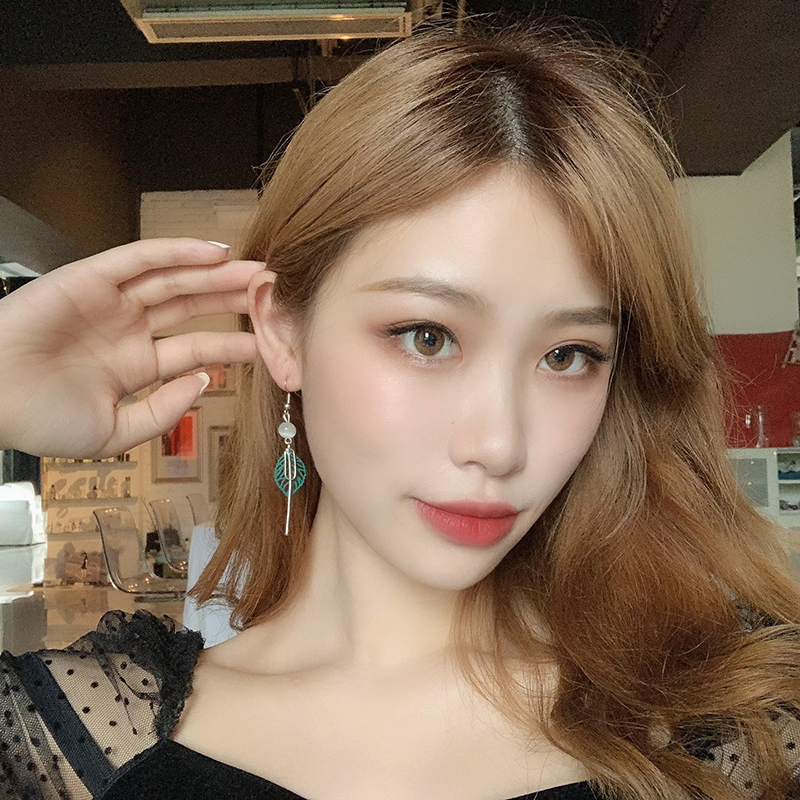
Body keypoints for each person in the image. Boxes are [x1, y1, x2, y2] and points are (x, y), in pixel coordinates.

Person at [1, 14, 799, 800]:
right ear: (282, 330)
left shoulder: (732, 734)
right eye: (427, 337)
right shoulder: (73, 737)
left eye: (567, 356)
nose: (499, 444)